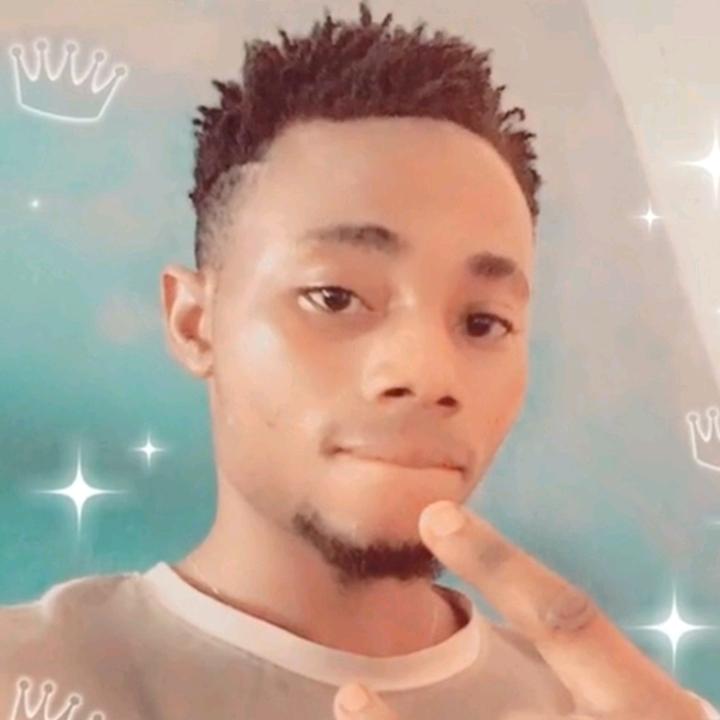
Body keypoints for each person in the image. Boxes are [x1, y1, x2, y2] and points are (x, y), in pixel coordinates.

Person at [1, 2, 717, 719]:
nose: (427, 374)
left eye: (483, 322)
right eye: (335, 297)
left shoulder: (618, 709)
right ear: (195, 324)